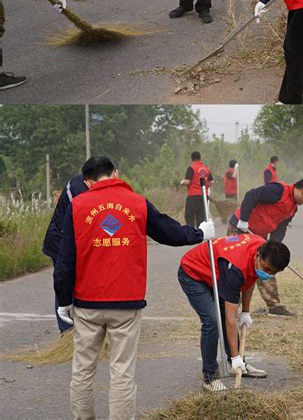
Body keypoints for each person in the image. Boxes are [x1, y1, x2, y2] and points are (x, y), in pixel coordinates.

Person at [53, 156, 215, 420]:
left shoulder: (78, 205)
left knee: (82, 370)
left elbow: (65, 260)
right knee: (122, 372)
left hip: (87, 303)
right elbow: (167, 231)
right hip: (127, 303)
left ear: (86, 181)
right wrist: (199, 233)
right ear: (116, 173)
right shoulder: (137, 202)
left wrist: (63, 300)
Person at [179, 233, 290, 391]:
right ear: (258, 256)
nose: (269, 274)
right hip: (193, 273)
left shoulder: (259, 249)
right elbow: (231, 319)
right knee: (213, 321)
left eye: (273, 272)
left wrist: (246, 311)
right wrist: (236, 355)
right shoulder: (235, 269)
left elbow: (250, 279)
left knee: (224, 316)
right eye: (266, 269)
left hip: (217, 273)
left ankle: (237, 365)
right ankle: (210, 377)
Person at [228, 178, 303, 318]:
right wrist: (244, 220)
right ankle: (229, 307)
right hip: (240, 229)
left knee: (269, 264)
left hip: (259, 236)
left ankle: (274, 306)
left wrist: (274, 246)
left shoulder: (293, 208)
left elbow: (281, 228)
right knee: (239, 268)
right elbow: (251, 195)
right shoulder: (278, 191)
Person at [42, 173, 90, 333]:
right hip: (60, 243)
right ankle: (68, 332)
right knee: (65, 283)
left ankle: (88, 329)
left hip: (77, 243)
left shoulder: (95, 188)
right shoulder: (77, 189)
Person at [180, 151, 214, 227]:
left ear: (191, 159)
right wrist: (205, 186)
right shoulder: (206, 168)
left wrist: (182, 182)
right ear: (200, 158)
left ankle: (192, 235)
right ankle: (200, 235)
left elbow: (187, 181)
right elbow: (211, 182)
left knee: (189, 216)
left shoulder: (191, 168)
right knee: (201, 218)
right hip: (204, 197)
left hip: (193, 197)